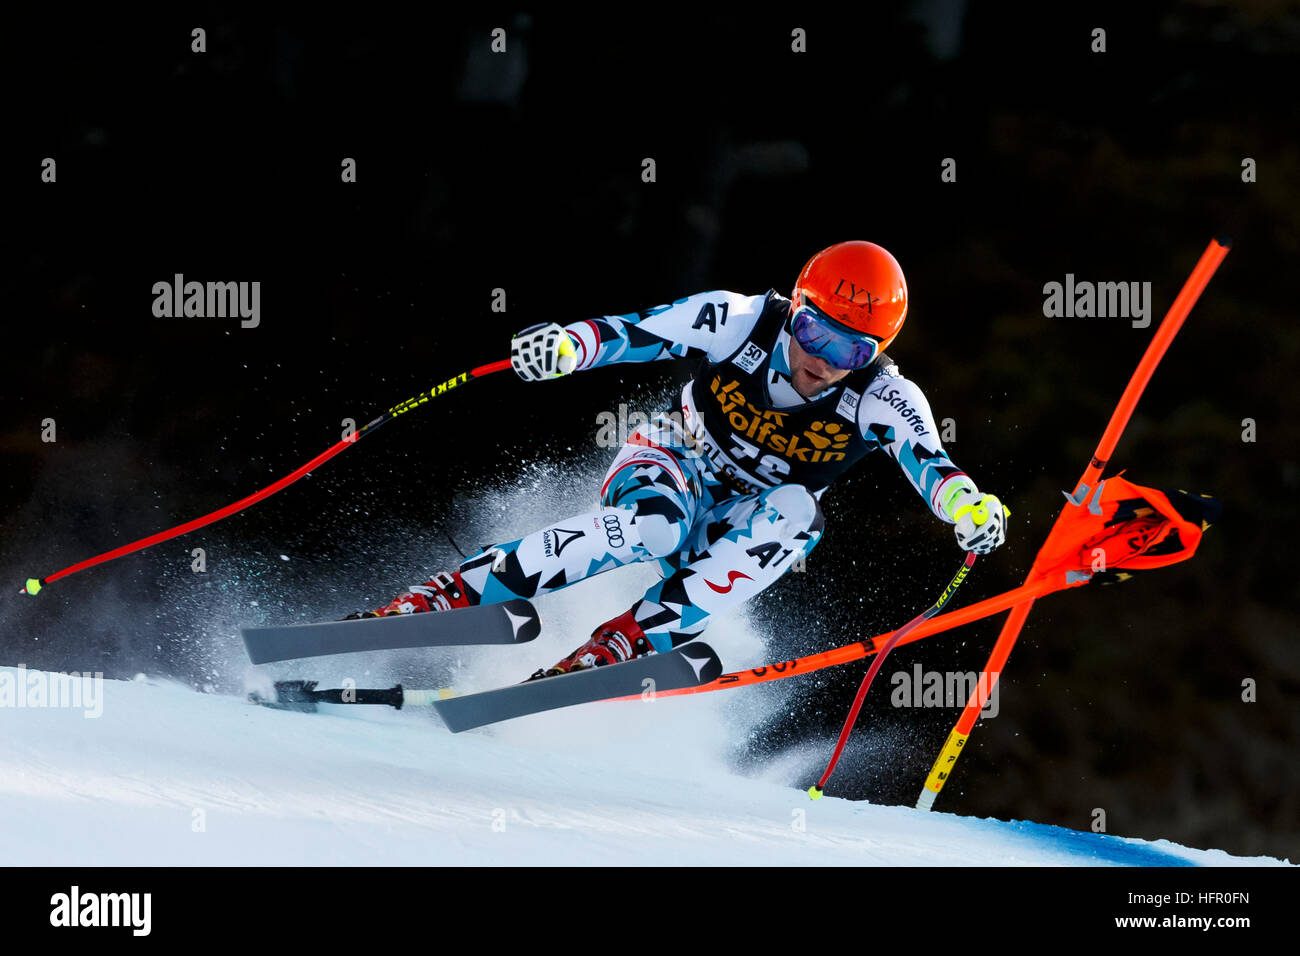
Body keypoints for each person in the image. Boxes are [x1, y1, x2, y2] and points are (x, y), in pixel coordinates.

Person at [349, 241, 1008, 680]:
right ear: (795, 311)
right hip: (672, 461)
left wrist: (971, 508)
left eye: (849, 352)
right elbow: (635, 332)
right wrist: (566, 347)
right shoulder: (740, 319)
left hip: (739, 523)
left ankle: (626, 642)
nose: (821, 362)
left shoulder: (885, 397)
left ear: (876, 353)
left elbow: (932, 466)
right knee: (654, 526)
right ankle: (448, 594)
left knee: (799, 513)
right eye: (813, 332)